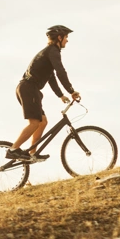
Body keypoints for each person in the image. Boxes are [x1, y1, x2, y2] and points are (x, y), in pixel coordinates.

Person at [7, 25, 81, 161]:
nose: (67, 41)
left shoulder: (49, 52)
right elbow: (60, 72)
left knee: (43, 122)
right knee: (34, 123)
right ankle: (13, 149)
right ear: (59, 38)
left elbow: (51, 77)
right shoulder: (53, 51)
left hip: (29, 89)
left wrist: (61, 95)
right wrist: (71, 90)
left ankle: (32, 154)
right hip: (28, 88)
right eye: (66, 37)